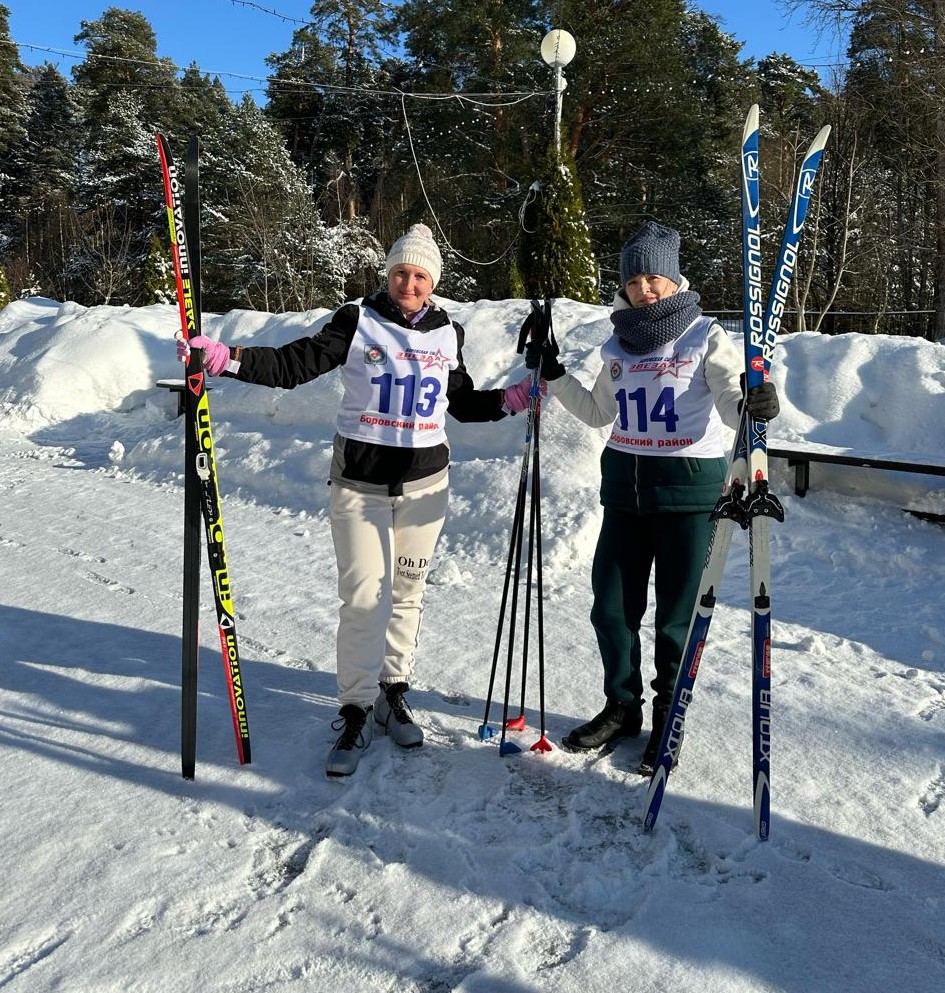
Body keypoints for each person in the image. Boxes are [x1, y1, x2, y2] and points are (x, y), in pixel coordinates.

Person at [178, 223, 536, 777]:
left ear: (433, 281)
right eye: (400, 272)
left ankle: (393, 693)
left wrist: (513, 399)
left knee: (408, 593)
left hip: (425, 485)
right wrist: (229, 359)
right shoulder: (358, 320)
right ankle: (355, 707)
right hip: (360, 484)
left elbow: (459, 401)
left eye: (419, 275)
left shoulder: (448, 332)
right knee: (365, 596)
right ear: (387, 274)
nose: (408, 283)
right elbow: (297, 363)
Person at [526, 220, 779, 775]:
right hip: (625, 490)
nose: (645, 288)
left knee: (675, 616)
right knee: (611, 607)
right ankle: (623, 706)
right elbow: (598, 412)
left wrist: (756, 405)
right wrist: (555, 376)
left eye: (655, 277)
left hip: (690, 491)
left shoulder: (705, 335)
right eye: (635, 278)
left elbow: (731, 401)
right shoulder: (617, 341)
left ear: (673, 278)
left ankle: (670, 709)